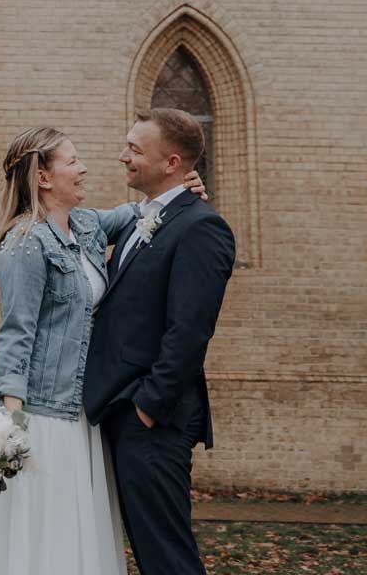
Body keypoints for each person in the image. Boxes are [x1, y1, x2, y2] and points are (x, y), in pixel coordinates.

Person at [0, 126, 206, 575]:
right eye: (73, 161)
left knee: (77, 535)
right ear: (43, 177)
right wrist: (12, 429)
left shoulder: (86, 225)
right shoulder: (24, 244)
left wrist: (184, 188)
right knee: (45, 536)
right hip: (39, 413)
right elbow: (15, 337)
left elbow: (144, 212)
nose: (84, 169)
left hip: (80, 411)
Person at [83, 109, 235, 575]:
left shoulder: (202, 228)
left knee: (166, 555)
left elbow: (189, 331)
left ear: (171, 162)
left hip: (152, 418)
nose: (122, 156)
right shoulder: (136, 221)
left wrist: (148, 406)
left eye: (134, 148)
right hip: (120, 409)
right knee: (149, 551)